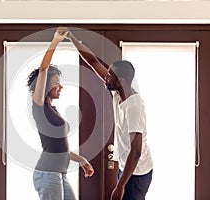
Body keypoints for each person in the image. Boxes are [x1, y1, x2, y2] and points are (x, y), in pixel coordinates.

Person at [65, 27, 153, 200]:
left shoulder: (134, 106)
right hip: (126, 168)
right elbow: (93, 62)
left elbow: (135, 150)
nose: (106, 77)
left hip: (138, 173)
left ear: (121, 81)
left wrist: (120, 186)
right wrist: (71, 37)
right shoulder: (118, 93)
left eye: (110, 76)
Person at [27, 27, 94, 200]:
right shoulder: (39, 106)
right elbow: (43, 71)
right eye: (56, 82)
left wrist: (82, 160)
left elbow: (59, 148)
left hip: (58, 174)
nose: (61, 86)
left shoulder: (53, 110)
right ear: (45, 86)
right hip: (48, 174)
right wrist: (55, 41)